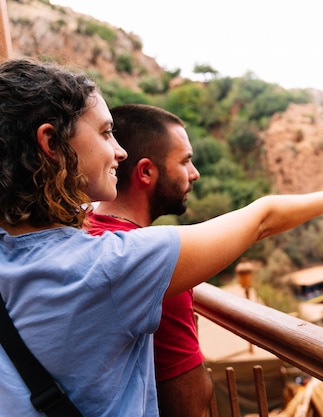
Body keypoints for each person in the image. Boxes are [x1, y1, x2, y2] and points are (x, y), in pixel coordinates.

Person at [0, 57, 323, 417]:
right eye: (105, 133)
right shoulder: (114, 266)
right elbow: (261, 219)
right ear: (51, 144)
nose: (120, 151)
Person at [85, 104, 210, 417]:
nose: (195, 174)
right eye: (185, 161)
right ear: (145, 172)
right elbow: (186, 403)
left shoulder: (81, 229)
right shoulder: (152, 265)